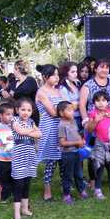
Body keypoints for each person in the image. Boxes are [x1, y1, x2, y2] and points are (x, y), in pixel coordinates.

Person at [36, 64, 64, 202]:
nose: (57, 77)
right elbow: (53, 112)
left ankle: (66, 187)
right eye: (53, 75)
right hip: (49, 129)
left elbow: (65, 107)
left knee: (63, 157)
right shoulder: (42, 92)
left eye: (58, 74)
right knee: (51, 160)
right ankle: (47, 190)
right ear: (45, 77)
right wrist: (67, 109)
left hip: (61, 126)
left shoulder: (58, 91)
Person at [11, 98, 41, 219]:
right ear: (17, 110)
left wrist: (31, 132)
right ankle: (16, 213)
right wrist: (32, 131)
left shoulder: (31, 121)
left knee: (27, 183)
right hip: (19, 155)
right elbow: (19, 131)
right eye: (23, 109)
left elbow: (39, 134)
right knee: (19, 184)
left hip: (30, 154)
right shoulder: (14, 120)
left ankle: (24, 209)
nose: (25, 112)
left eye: (29, 110)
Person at [86, 90, 110, 199]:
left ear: (108, 102)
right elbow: (89, 129)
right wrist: (96, 121)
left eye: (103, 100)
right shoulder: (93, 113)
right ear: (94, 103)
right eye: (98, 101)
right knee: (100, 166)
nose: (101, 103)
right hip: (100, 144)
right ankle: (97, 189)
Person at [57, 101, 88, 204]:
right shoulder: (61, 125)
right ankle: (66, 195)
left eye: (73, 110)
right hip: (67, 154)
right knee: (68, 175)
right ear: (61, 113)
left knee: (79, 173)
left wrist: (81, 140)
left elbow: (77, 133)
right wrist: (77, 142)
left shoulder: (73, 121)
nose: (72, 113)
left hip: (76, 152)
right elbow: (62, 143)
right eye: (69, 110)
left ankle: (81, 191)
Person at [0, 102, 15, 203]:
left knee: (14, 178)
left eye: (12, 114)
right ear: (0, 115)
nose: (11, 117)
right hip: (3, 159)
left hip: (15, 158)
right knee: (3, 178)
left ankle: (15, 195)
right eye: (8, 114)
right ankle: (4, 197)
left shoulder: (15, 126)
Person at [6, 60, 39, 125]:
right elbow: (6, 91)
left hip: (29, 114)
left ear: (17, 69)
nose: (13, 72)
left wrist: (12, 94)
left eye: (14, 69)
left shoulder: (30, 80)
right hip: (17, 114)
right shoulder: (14, 83)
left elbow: (25, 92)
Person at [59, 61, 82, 130]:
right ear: (66, 73)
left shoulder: (76, 84)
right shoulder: (63, 88)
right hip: (72, 119)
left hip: (81, 117)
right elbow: (68, 107)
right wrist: (81, 103)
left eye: (76, 72)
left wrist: (76, 104)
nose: (75, 74)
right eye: (72, 72)